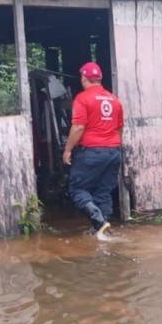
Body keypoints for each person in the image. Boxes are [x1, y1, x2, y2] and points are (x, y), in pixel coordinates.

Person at [62, 62, 124, 239]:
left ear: (83, 78)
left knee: (77, 189)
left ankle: (99, 222)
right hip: (113, 151)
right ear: (100, 79)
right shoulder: (115, 100)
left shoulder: (82, 98)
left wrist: (67, 150)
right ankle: (105, 231)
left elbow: (79, 127)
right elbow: (120, 130)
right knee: (103, 191)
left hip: (92, 151)